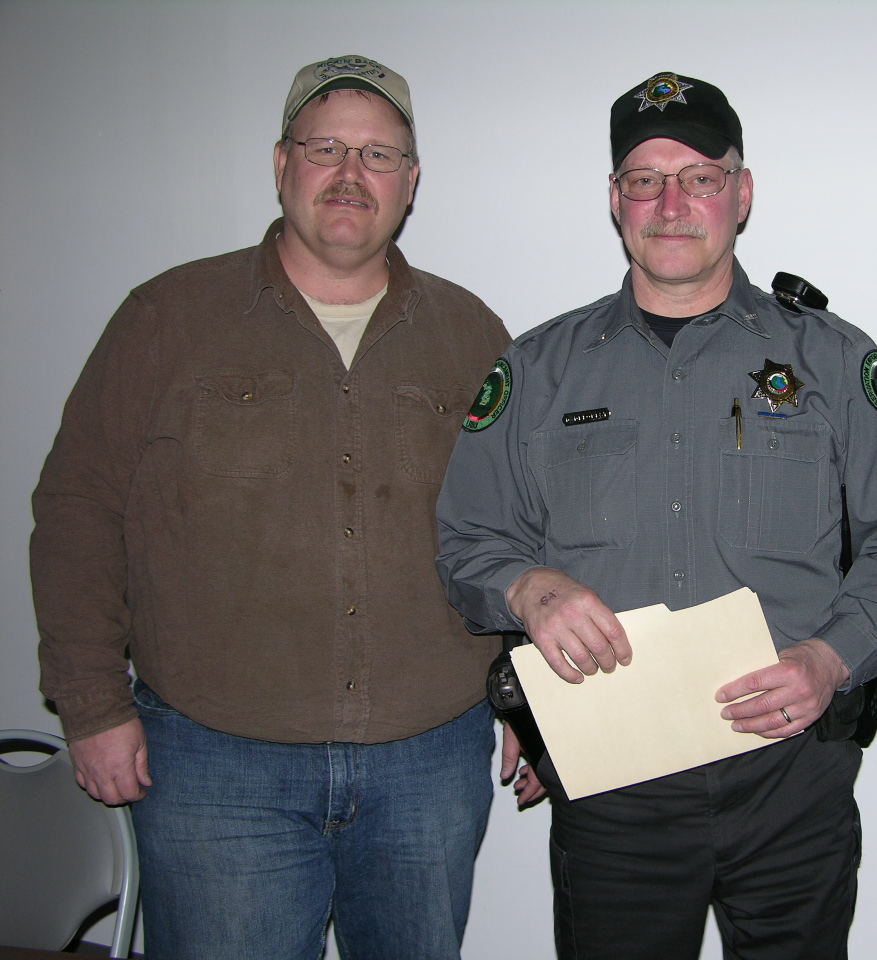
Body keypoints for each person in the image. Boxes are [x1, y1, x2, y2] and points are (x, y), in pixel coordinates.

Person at [435, 71, 877, 960]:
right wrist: (528, 587)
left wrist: (831, 659)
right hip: (613, 781)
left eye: (700, 177)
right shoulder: (541, 369)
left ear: (740, 194)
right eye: (645, 179)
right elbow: (468, 536)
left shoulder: (831, 359)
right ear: (615, 199)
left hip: (792, 775)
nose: (671, 204)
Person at [30, 55, 510, 960]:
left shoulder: (470, 333)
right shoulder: (168, 317)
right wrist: (91, 703)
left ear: (410, 181)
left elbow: (512, 525)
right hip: (216, 766)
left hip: (429, 762)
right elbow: (78, 508)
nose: (350, 173)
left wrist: (524, 697)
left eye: (378, 154)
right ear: (282, 163)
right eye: (325, 147)